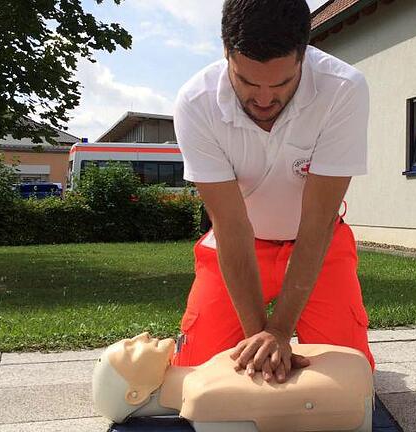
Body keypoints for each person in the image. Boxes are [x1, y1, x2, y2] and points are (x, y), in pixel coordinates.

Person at [173, 0, 374, 383]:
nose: (264, 99)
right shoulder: (196, 103)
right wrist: (259, 339)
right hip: (236, 245)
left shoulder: (343, 89)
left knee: (354, 380)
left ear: (304, 54)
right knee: (195, 374)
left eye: (282, 84)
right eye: (247, 82)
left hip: (319, 243)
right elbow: (230, 226)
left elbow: (317, 223)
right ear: (225, 51)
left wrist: (280, 331)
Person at [92, 332, 374, 431]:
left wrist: (274, 333)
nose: (140, 336)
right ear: (134, 395)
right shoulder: (202, 398)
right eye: (131, 348)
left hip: (348, 376)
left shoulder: (205, 376)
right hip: (348, 387)